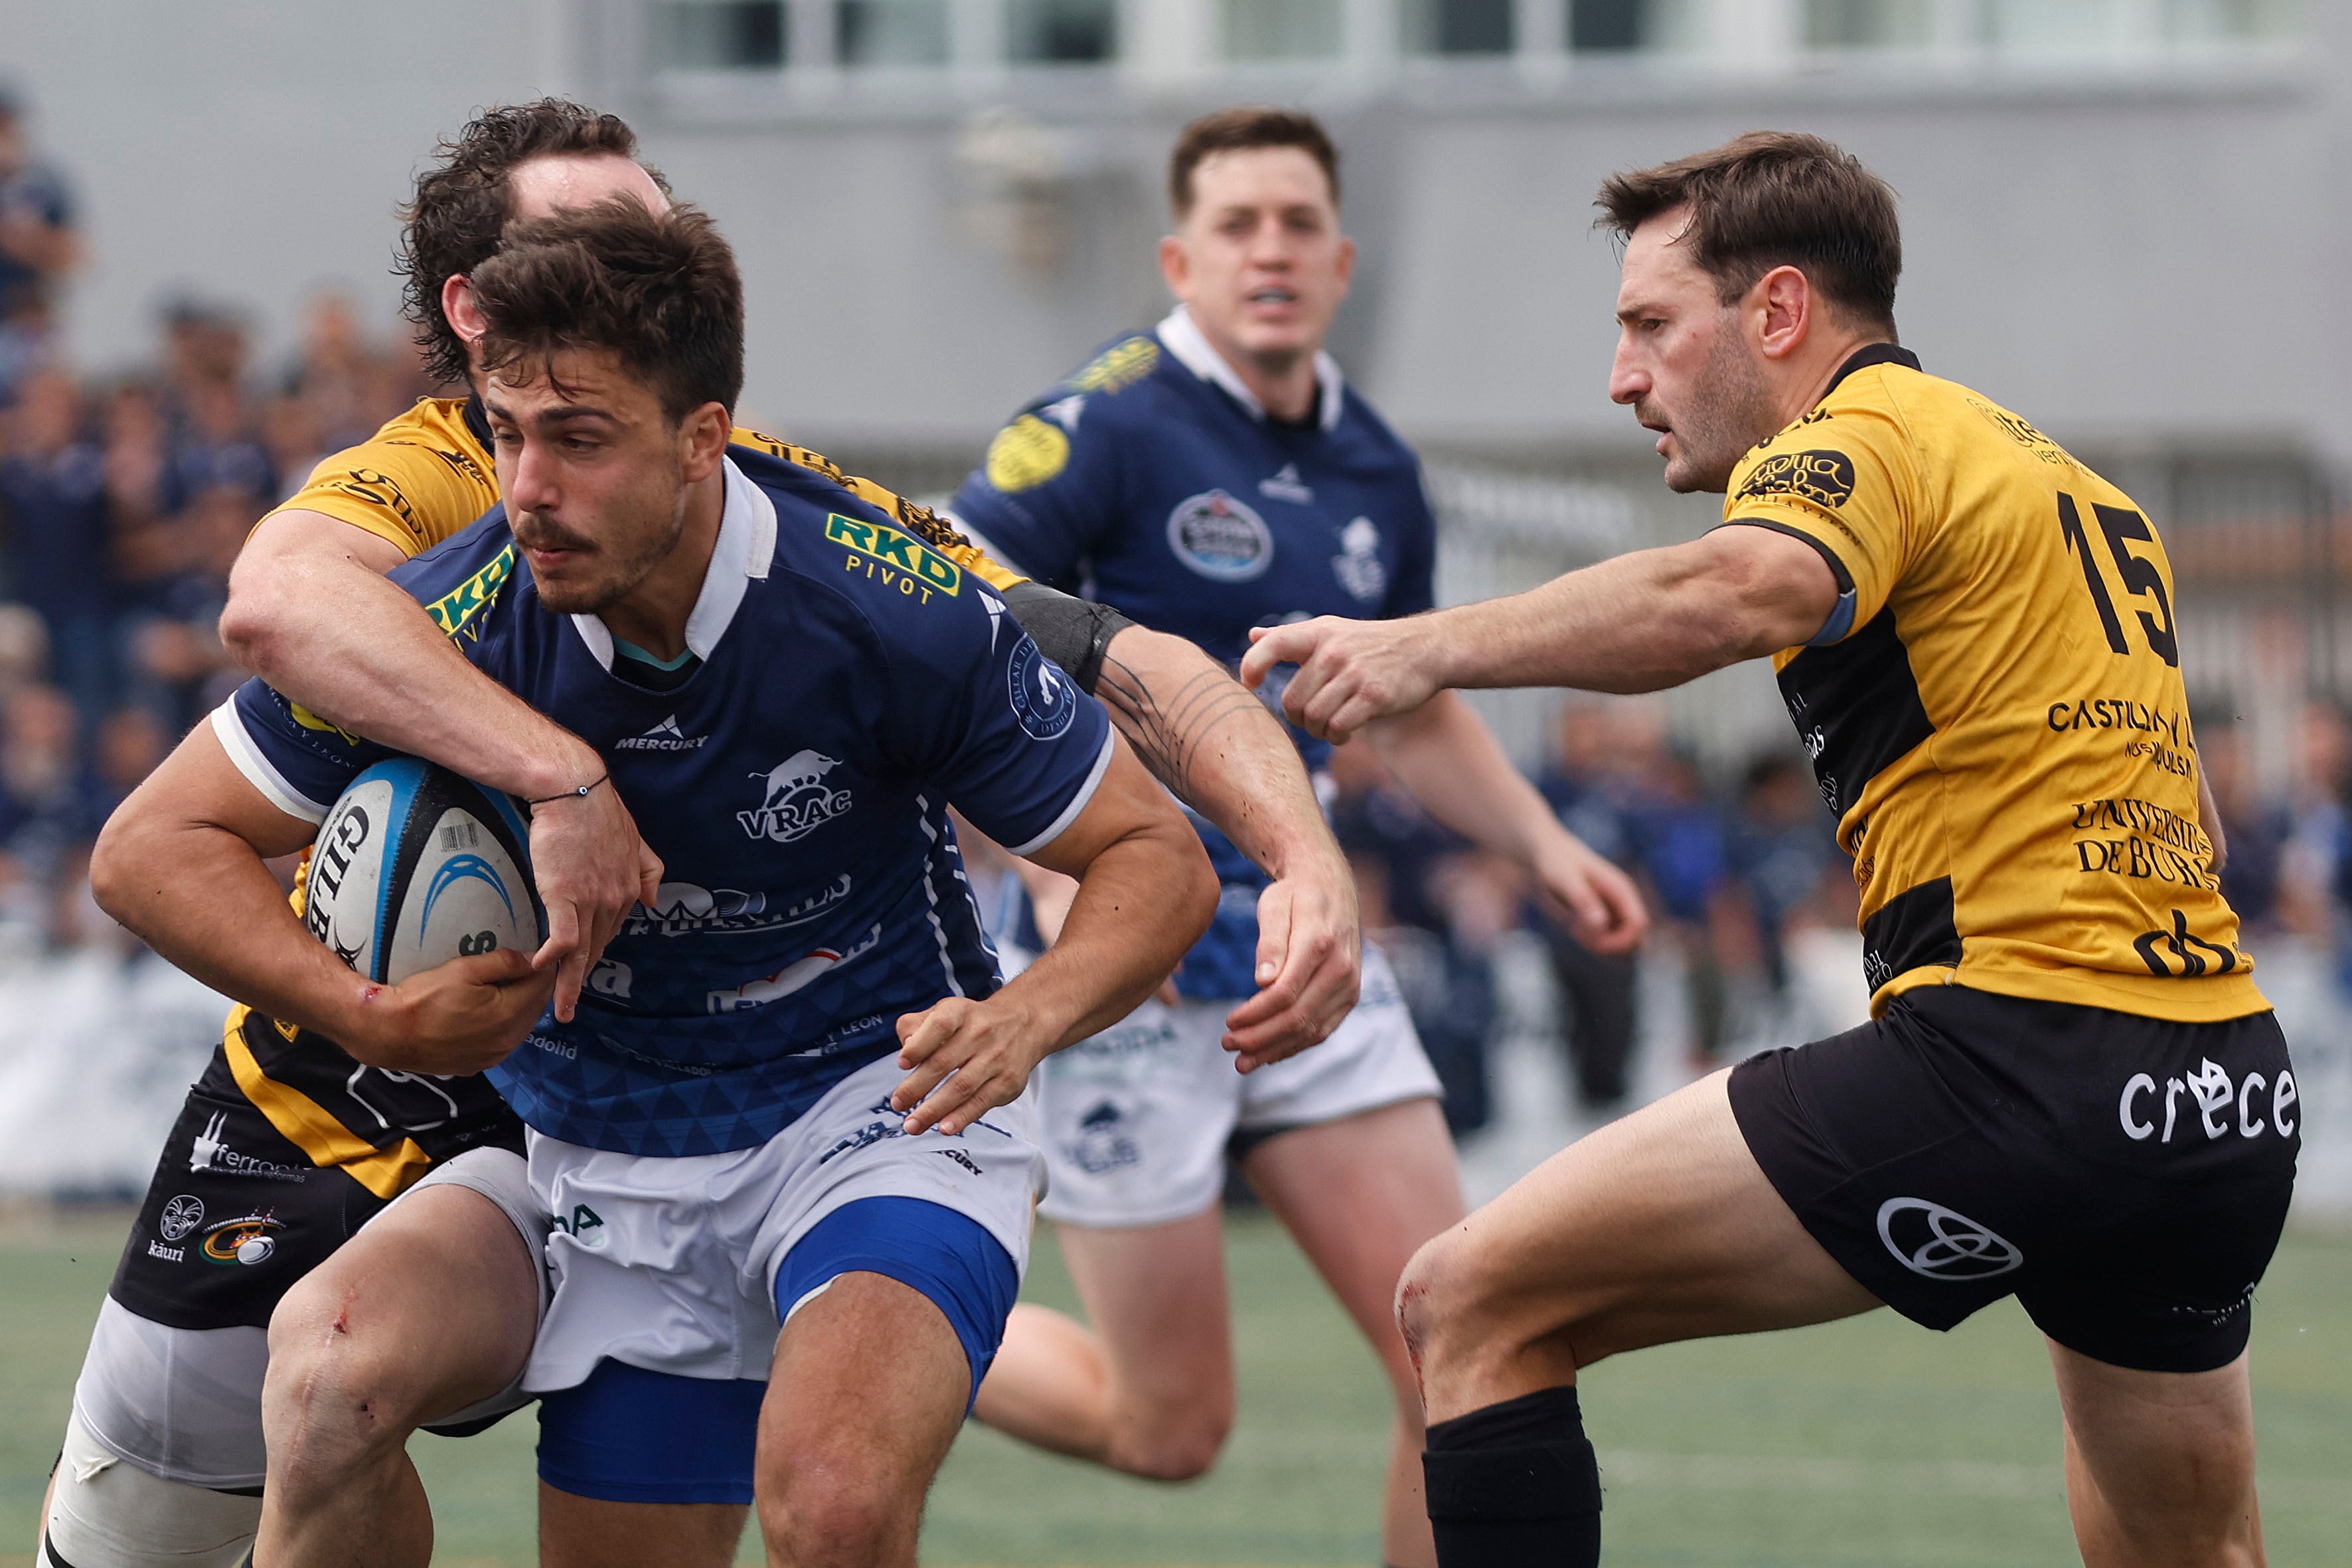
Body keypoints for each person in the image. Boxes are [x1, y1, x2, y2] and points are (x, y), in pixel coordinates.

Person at [40, 100, 1354, 1568]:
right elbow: (243, 669)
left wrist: (1253, 888)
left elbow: (1135, 712)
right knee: (284, 1408)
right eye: (511, 436)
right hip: (544, 1129)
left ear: (698, 427)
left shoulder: (871, 581)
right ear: (475, 330)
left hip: (861, 1112)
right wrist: (521, 825)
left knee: (836, 1501)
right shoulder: (446, 540)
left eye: (579, 437)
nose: (532, 485)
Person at [1243, 131, 2298, 1568]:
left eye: (1648, 327)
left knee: (1466, 1301)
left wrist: (1416, 646)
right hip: (2215, 1090)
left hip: (2014, 1058)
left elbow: (1734, 588)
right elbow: (2199, 823)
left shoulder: (1856, 439)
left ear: (1780, 313)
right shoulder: (2073, 490)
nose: (1623, 378)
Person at [945, 107, 1645, 1568]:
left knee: (1464, 1347)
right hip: (1122, 966)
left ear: (1338, 262)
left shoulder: (1376, 469)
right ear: (1178, 259)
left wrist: (1541, 846)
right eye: (1237, 226)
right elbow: (950, 605)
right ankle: (819, 1294)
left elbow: (1399, 698)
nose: (1268, 251)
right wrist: (1010, 826)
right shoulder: (1103, 422)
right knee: (1168, 1428)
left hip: (1306, 942)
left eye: (1293, 227)